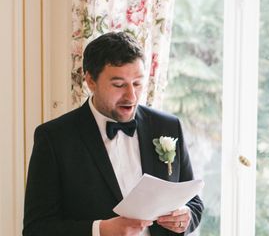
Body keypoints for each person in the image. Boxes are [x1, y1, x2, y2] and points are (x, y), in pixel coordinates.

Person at [23, 31, 204, 236]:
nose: (131, 96)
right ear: (90, 81)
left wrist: (184, 218)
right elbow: (36, 229)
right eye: (118, 85)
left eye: (137, 83)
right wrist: (99, 230)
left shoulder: (168, 126)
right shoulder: (54, 138)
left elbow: (194, 202)